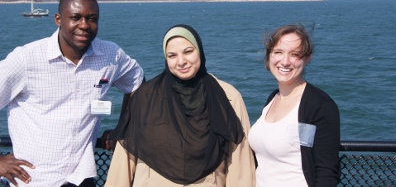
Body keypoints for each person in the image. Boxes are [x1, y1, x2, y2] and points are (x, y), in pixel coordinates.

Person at [0, 0, 144, 187]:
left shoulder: (111, 55)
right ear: (58, 19)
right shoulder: (26, 59)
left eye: (92, 18)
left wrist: (123, 128)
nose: (84, 25)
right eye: (75, 17)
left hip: (81, 179)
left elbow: (137, 82)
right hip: (33, 180)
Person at [105, 24, 256, 187]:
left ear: (199, 50)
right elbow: (125, 158)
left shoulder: (227, 97)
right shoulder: (146, 97)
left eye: (188, 51)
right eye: (172, 55)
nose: (181, 61)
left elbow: (240, 161)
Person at [248, 24, 340, 187]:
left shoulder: (320, 106)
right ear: (269, 56)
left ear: (307, 58)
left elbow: (327, 172)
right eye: (278, 52)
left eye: (295, 54)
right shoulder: (273, 98)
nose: (285, 62)